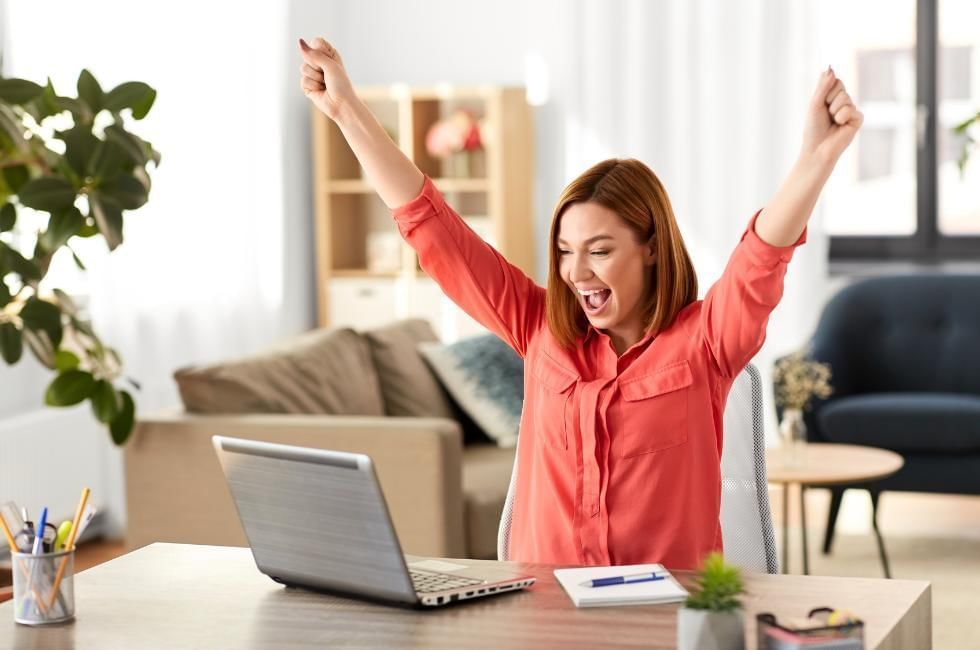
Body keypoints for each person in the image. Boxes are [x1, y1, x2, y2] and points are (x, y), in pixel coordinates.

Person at [298, 37, 863, 569]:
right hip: (542, 615)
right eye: (566, 252)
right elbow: (432, 228)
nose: (576, 272)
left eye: (599, 250)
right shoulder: (538, 328)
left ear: (650, 248)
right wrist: (346, 110)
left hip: (659, 618)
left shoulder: (706, 343)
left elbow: (760, 257)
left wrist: (817, 157)